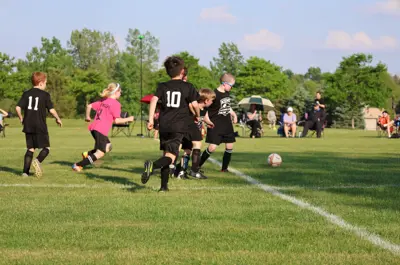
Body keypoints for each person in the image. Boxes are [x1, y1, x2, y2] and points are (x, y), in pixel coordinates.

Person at [141, 56, 200, 192]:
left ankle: (163, 187)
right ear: (182, 72)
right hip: (178, 125)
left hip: (164, 125)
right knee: (171, 157)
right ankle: (152, 165)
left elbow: (153, 100)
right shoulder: (188, 87)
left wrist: (151, 120)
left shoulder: (163, 86)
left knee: (166, 154)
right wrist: (198, 115)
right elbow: (195, 104)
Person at [72, 83, 134, 171]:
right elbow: (117, 120)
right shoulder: (116, 104)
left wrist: (87, 116)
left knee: (109, 146)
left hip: (94, 128)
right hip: (100, 130)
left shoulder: (103, 101)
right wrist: (128, 119)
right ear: (116, 92)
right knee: (100, 153)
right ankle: (78, 165)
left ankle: (87, 154)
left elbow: (89, 106)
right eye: (120, 91)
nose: (121, 94)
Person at [15, 72, 62, 178]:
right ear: (41, 83)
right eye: (45, 83)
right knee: (46, 148)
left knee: (30, 148)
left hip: (28, 124)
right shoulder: (45, 95)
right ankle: (37, 161)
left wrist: (21, 118)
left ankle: (25, 173)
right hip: (40, 124)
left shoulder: (26, 93)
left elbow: (17, 107)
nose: (46, 85)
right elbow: (52, 110)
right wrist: (58, 119)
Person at [199, 73, 238, 173]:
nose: (232, 88)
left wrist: (234, 114)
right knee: (212, 147)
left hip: (227, 124)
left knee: (229, 146)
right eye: (231, 86)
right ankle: (197, 166)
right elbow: (205, 109)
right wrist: (207, 120)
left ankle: (224, 169)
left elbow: (226, 106)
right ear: (225, 84)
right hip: (215, 124)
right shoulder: (214, 94)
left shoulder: (227, 93)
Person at [175, 88, 216, 179]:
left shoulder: (204, 109)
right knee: (197, 145)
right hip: (189, 129)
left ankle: (181, 172)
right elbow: (190, 105)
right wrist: (195, 115)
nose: (212, 102)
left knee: (187, 151)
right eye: (212, 100)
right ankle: (194, 171)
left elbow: (205, 117)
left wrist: (209, 123)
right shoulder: (195, 105)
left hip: (191, 131)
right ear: (206, 100)